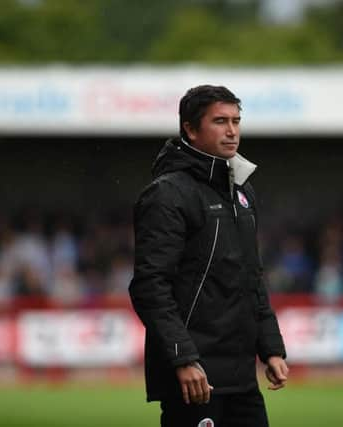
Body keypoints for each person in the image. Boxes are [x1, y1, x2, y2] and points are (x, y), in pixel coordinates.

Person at [129, 85, 288, 427]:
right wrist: (182, 359)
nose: (232, 131)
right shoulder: (167, 194)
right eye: (220, 121)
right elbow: (149, 286)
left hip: (241, 377)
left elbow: (251, 278)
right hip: (194, 378)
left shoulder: (242, 191)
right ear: (190, 128)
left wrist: (271, 347)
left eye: (236, 121)